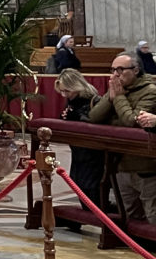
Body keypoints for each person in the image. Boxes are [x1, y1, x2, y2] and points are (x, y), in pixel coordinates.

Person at [88, 51, 156, 226]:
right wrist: (110, 98)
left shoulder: (150, 91)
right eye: (113, 70)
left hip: (145, 166)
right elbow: (93, 117)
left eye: (120, 69)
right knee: (129, 215)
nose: (115, 75)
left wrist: (118, 97)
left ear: (135, 70)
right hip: (119, 163)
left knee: (152, 215)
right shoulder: (118, 89)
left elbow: (131, 122)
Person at [54, 68, 104, 208]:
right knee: (77, 183)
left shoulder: (93, 100)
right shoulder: (72, 101)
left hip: (92, 153)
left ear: (75, 86)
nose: (64, 95)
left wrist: (75, 117)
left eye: (67, 91)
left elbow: (93, 122)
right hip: (77, 150)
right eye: (62, 91)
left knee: (90, 187)